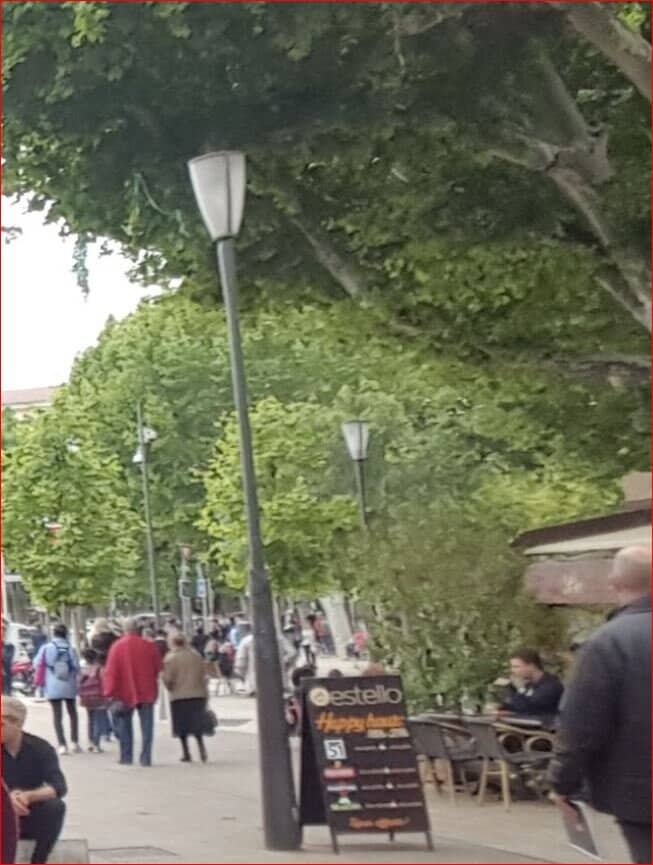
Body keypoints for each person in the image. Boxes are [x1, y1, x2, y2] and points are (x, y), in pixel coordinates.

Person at [549, 546, 651, 864]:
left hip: (641, 792)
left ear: (615, 583)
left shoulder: (608, 644)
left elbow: (580, 724)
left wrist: (561, 782)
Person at [2, 697, 67, 864]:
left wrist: (28, 797)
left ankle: (39, 860)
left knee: (56, 807)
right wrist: (7, 799)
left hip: (27, 812)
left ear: (18, 723)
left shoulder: (40, 748)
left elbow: (59, 786)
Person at [102, 617, 162, 767]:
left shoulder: (116, 647)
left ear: (124, 629)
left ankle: (126, 756)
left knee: (124, 725)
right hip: (146, 689)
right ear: (138, 629)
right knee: (147, 726)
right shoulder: (148, 646)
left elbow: (111, 672)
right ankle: (146, 757)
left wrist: (109, 691)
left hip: (123, 692)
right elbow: (158, 667)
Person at [33, 625, 81, 756]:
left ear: (53, 634)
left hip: (52, 684)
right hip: (69, 684)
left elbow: (37, 663)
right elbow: (76, 666)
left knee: (57, 715)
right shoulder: (71, 648)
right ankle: (75, 742)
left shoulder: (46, 648)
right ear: (66, 634)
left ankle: (62, 744)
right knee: (73, 713)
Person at [162, 633, 209, 763]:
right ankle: (202, 749)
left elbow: (168, 679)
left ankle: (186, 752)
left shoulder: (170, 658)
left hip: (179, 696)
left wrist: (168, 685)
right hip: (197, 694)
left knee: (182, 726)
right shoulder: (196, 656)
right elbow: (203, 675)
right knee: (197, 725)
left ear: (172, 643)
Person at [497, 648, 563, 721]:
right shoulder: (529, 685)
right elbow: (515, 705)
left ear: (531, 666)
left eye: (516, 667)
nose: (512, 670)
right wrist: (500, 707)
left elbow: (529, 708)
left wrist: (520, 688)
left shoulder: (550, 686)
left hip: (543, 729)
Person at [78, 649, 106, 753]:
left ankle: (90, 742)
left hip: (86, 697)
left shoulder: (83, 668)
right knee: (98, 720)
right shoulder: (99, 668)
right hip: (97, 696)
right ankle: (96, 743)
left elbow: (79, 682)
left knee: (90, 719)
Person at [234, 624, 255, 695]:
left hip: (252, 680)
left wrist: (239, 671)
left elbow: (241, 659)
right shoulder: (275, 637)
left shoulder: (246, 641)